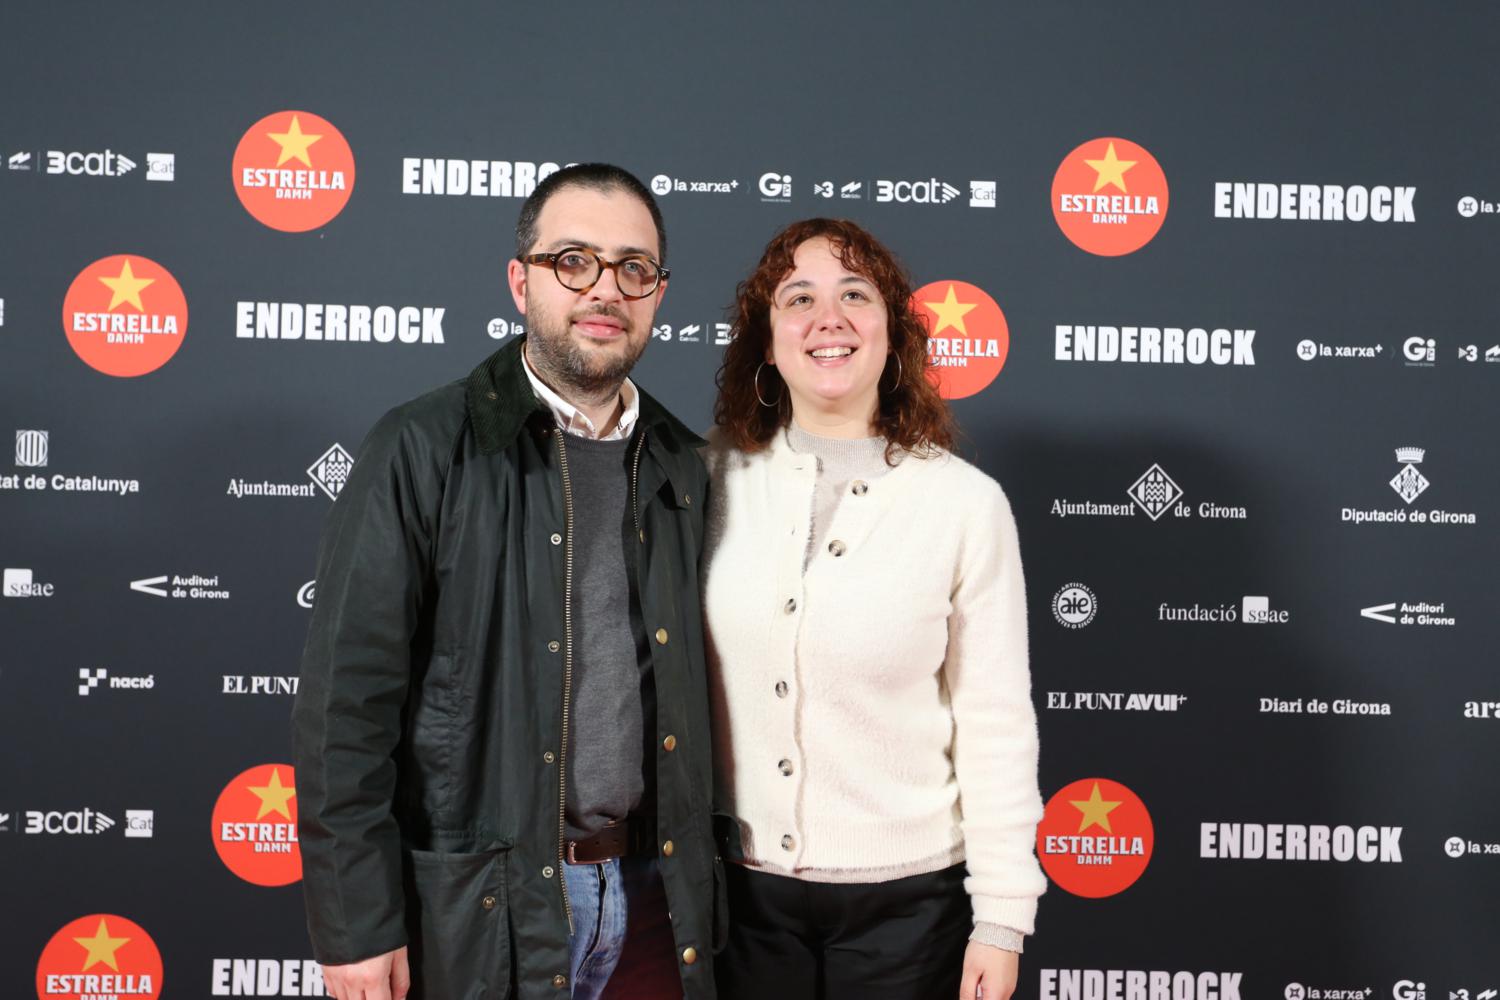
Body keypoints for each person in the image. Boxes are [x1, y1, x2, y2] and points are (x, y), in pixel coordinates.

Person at [292, 163, 723, 1000]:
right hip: (487, 911)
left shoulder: (688, 465)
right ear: (521, 281)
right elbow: (345, 709)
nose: (605, 289)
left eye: (633, 268)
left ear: (659, 295)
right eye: (574, 261)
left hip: (654, 906)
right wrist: (357, 924)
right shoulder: (422, 447)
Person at [702, 218, 1046, 1000]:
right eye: (800, 298)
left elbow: (995, 723)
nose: (829, 318)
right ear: (766, 342)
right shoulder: (704, 480)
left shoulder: (965, 505)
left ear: (893, 336)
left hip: (912, 912)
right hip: (737, 907)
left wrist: (1002, 919)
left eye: (855, 295)